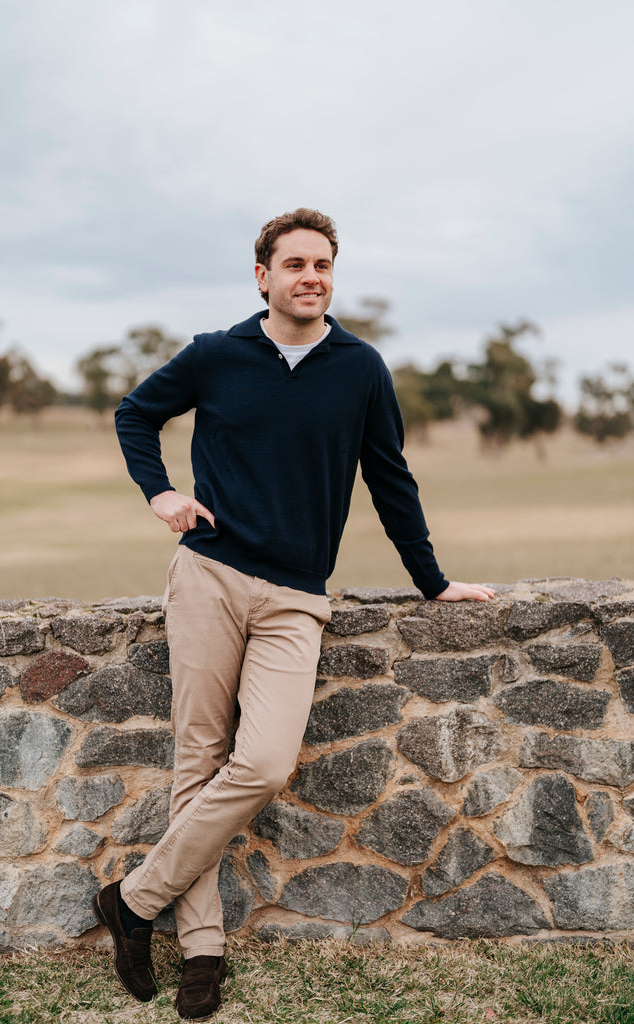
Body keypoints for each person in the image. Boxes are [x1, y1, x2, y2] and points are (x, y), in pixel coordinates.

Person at [94, 207, 494, 1020]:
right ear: (263, 276)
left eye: (323, 264)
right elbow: (135, 414)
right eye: (295, 264)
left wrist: (431, 580)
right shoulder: (215, 354)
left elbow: (390, 478)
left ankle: (133, 901)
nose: (311, 276)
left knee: (265, 762)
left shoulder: (360, 367)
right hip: (208, 575)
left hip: (296, 594)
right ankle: (202, 949)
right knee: (197, 761)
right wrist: (162, 492)